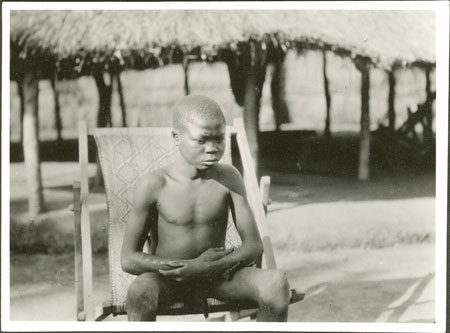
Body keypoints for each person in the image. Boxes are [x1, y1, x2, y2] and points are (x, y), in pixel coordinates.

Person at [121, 95, 290, 322]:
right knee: (139, 293)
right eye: (201, 141)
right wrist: (189, 267)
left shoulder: (229, 177)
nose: (212, 149)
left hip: (218, 277)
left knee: (276, 284)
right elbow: (129, 258)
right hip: (169, 280)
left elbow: (254, 245)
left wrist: (212, 267)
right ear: (176, 137)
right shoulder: (155, 184)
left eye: (219, 139)